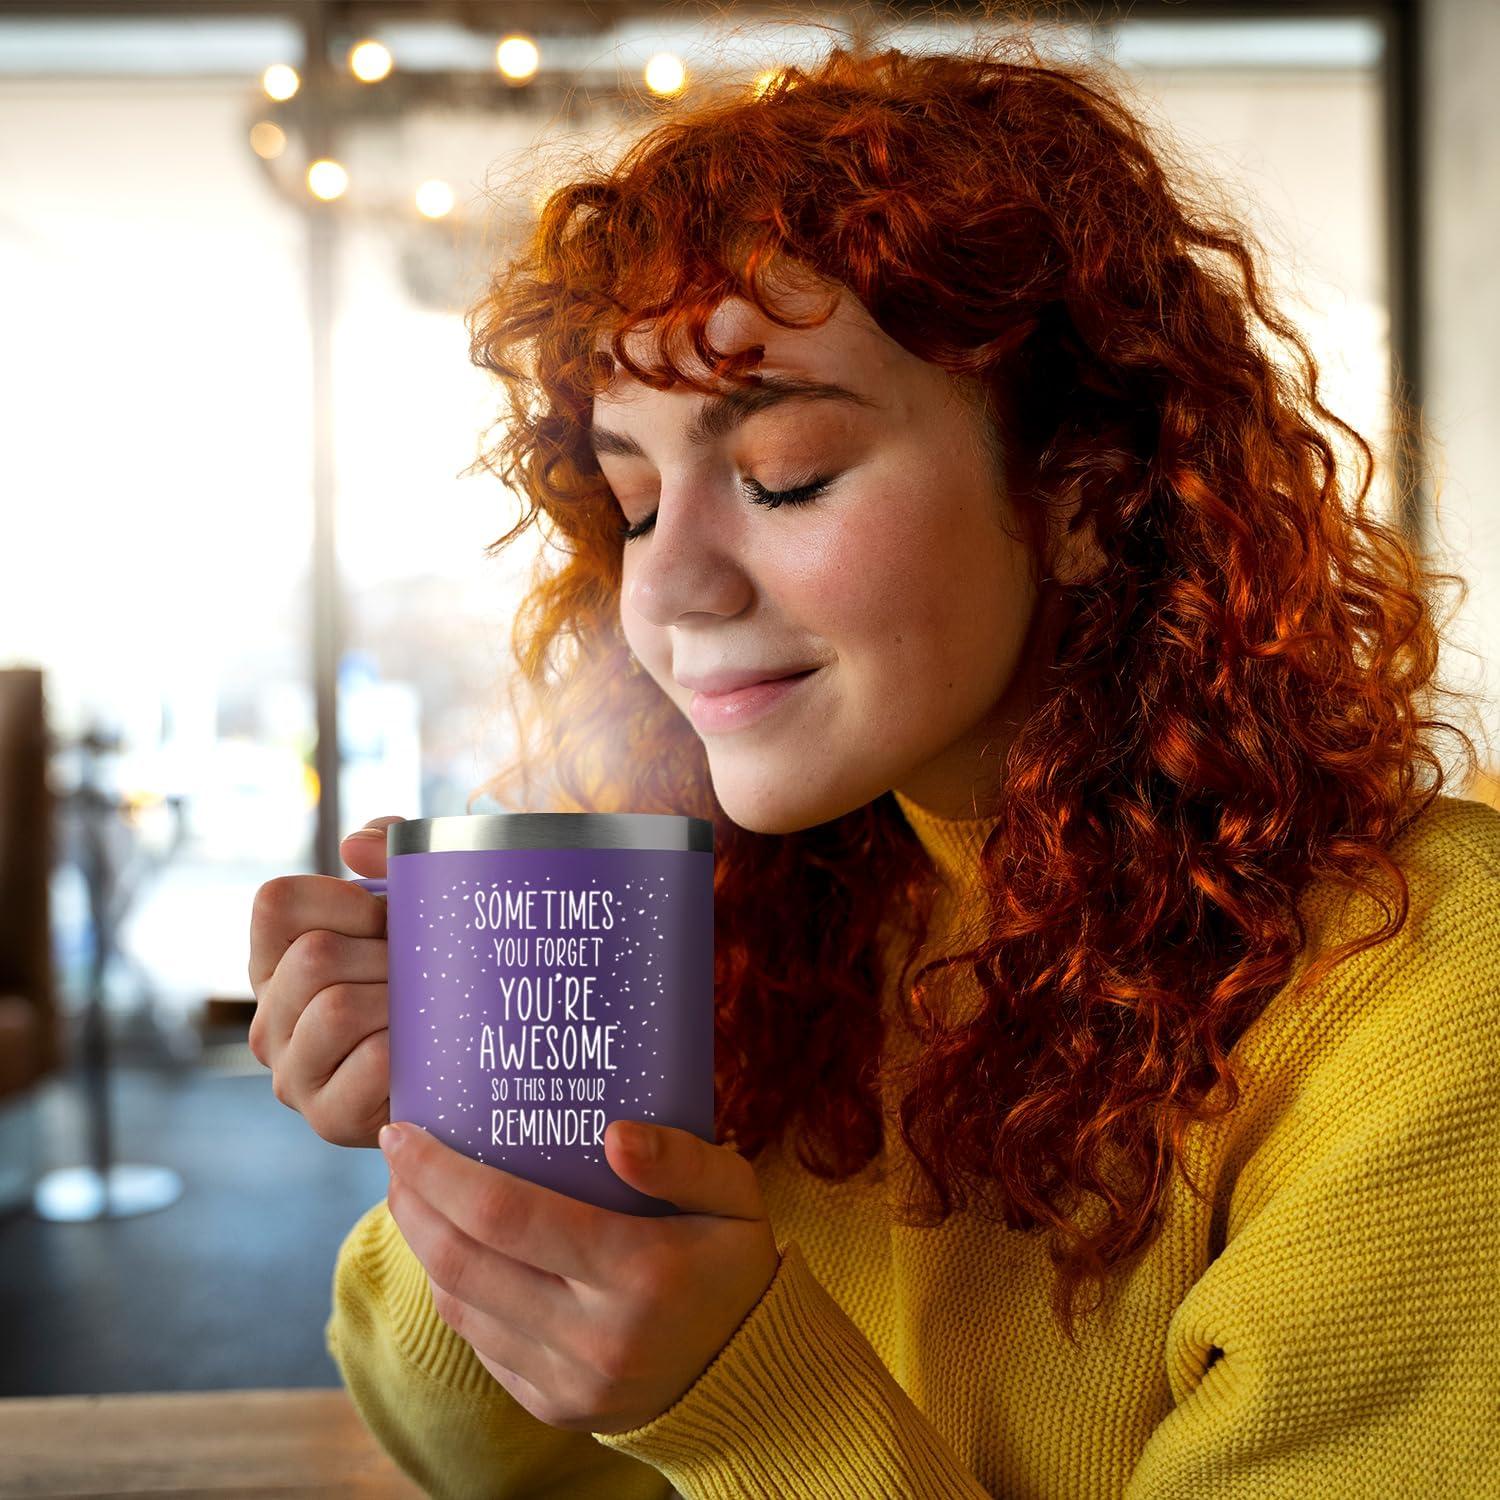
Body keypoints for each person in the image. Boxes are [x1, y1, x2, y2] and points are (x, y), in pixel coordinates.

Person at [249, 13, 1500, 1499]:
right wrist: (474, 1111)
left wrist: (738, 1397)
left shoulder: (1427, 1002)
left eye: (786, 478)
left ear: (1088, 491)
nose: (665, 590)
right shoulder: (771, 914)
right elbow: (476, 1458)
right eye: (636, 503)